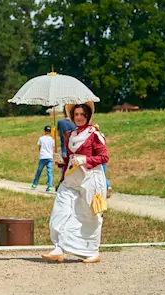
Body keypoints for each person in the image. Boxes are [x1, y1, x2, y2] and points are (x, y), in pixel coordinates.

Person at [42, 102, 108, 264]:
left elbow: (104, 157)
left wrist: (85, 159)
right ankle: (58, 248)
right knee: (61, 209)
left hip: (90, 179)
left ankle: (92, 252)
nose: (78, 117)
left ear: (88, 116)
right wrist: (61, 161)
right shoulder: (69, 135)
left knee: (88, 216)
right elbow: (69, 159)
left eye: (82, 115)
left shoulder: (94, 135)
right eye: (76, 114)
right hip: (70, 179)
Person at [31, 125, 54, 192]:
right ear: (50, 132)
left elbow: (39, 147)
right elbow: (53, 148)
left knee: (39, 171)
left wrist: (41, 153)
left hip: (43, 157)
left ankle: (35, 184)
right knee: (49, 172)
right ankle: (49, 186)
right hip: (50, 157)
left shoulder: (41, 138)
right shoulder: (52, 139)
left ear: (44, 131)